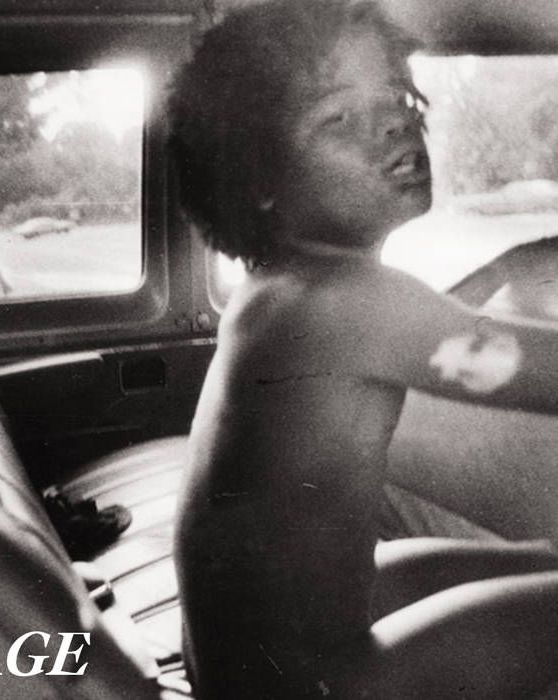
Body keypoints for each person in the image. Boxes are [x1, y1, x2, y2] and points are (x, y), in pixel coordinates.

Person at [169, 1, 558, 697]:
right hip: (304, 688)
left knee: (543, 557)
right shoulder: (348, 304)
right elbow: (522, 367)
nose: (394, 124)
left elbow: (419, 334)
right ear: (258, 180)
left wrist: (507, 268)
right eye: (339, 118)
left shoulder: (282, 288)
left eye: (397, 99)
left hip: (241, 667)